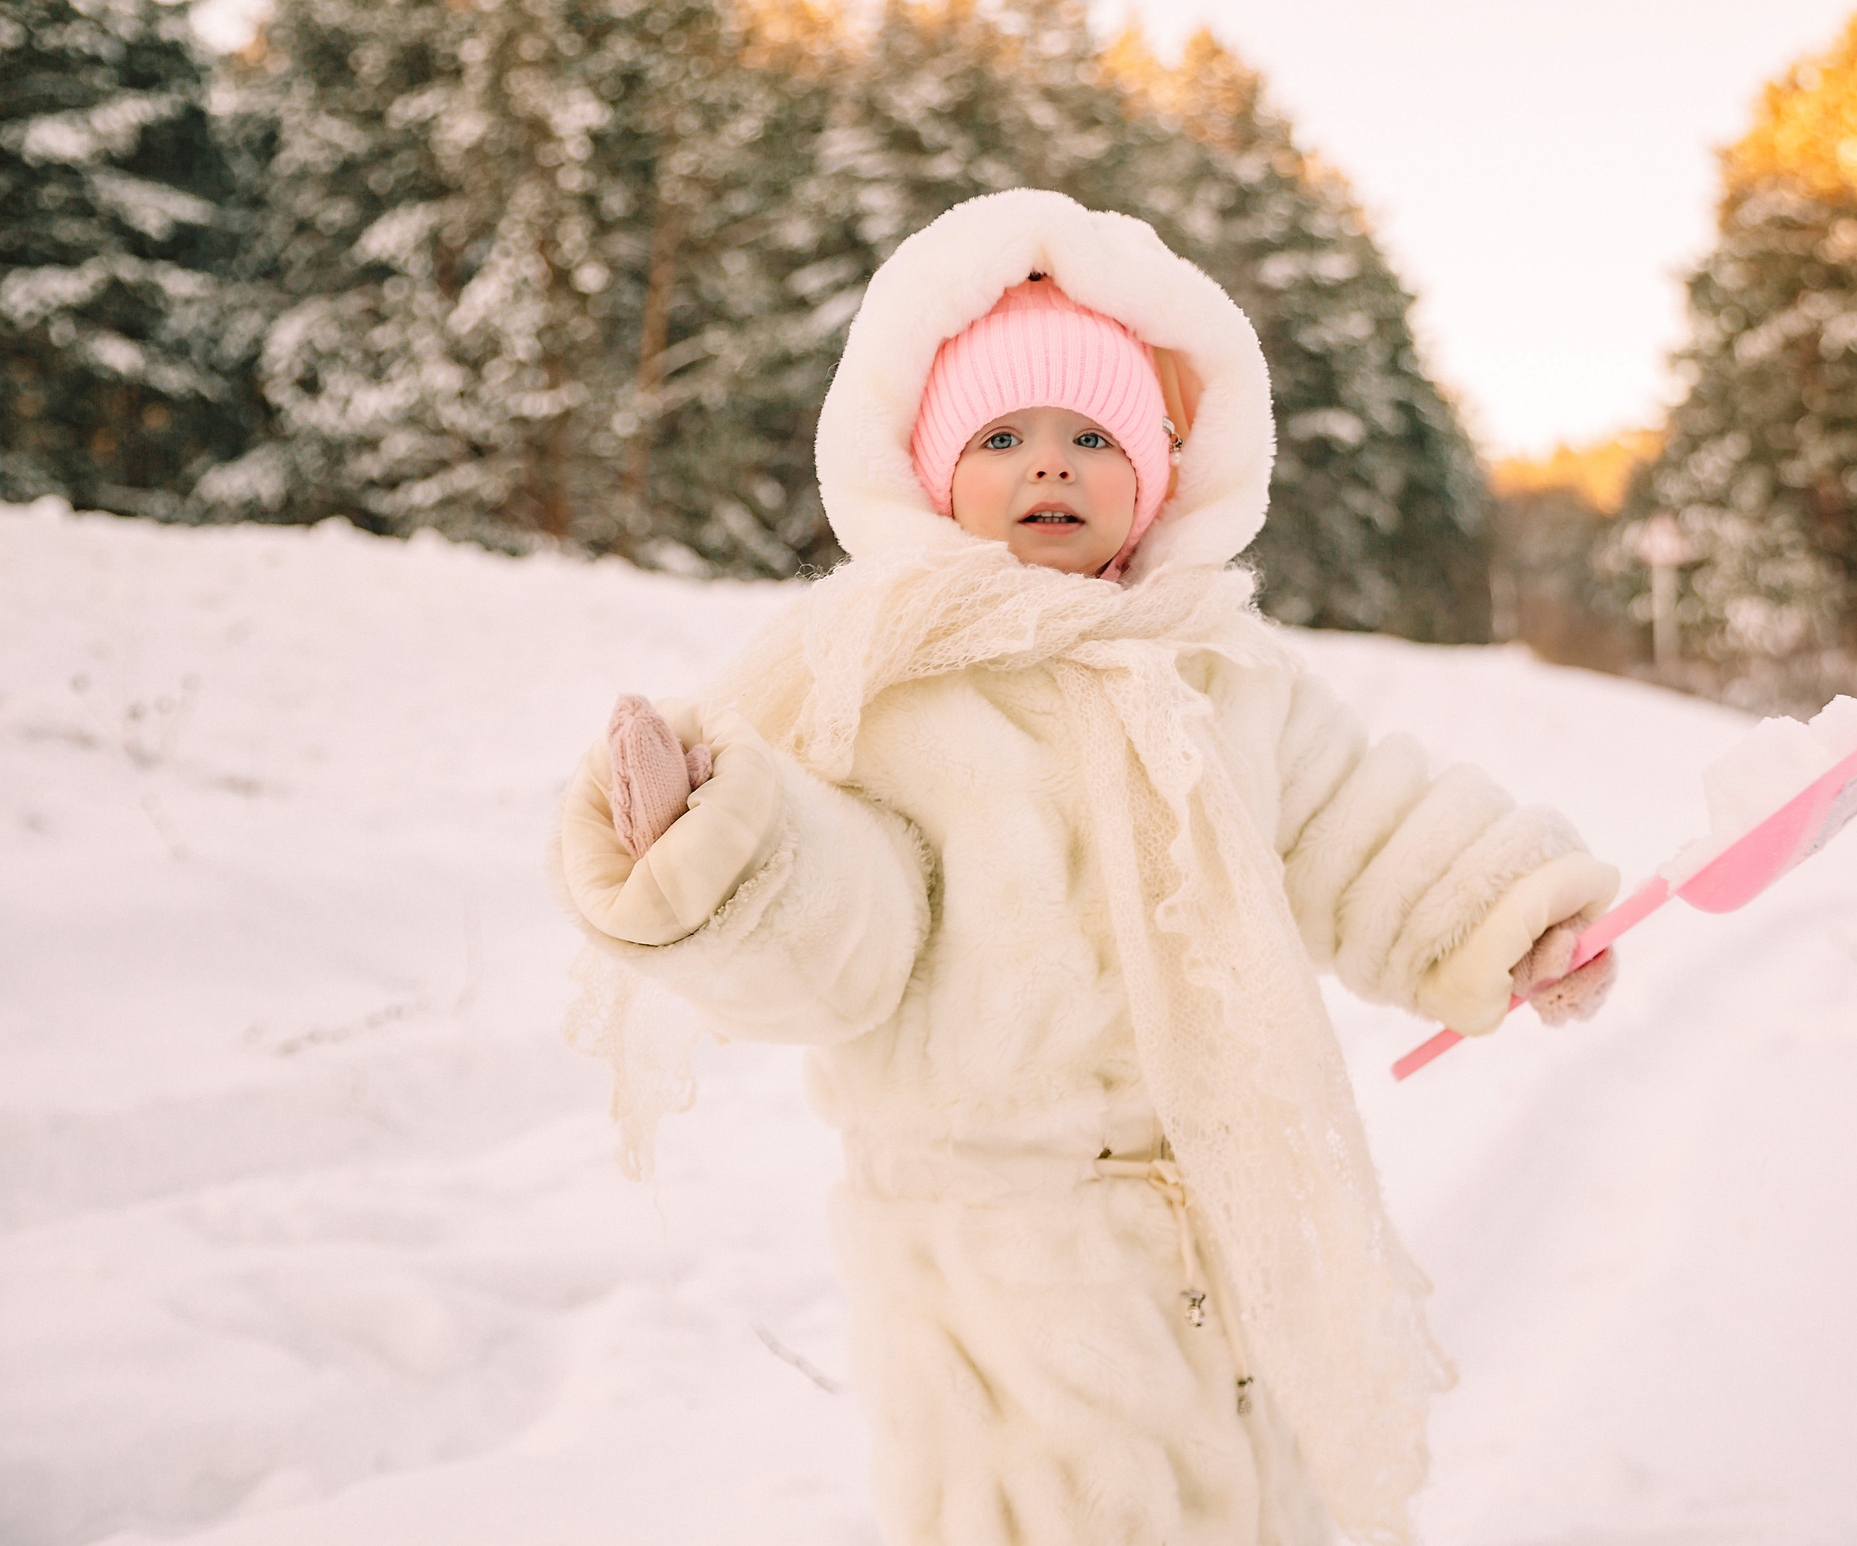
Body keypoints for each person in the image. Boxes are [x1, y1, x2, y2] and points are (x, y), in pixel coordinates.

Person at [555, 188, 1618, 1546]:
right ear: (929, 472)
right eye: (1001, 437)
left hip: (1228, 1212)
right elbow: (848, 925)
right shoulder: (890, 690)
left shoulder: (1215, 670)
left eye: (1091, 437)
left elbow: (1356, 824)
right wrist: (720, 846)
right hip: (1006, 1263)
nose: (1048, 467)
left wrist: (1504, 920)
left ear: (1161, 473)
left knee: (1264, 1510)